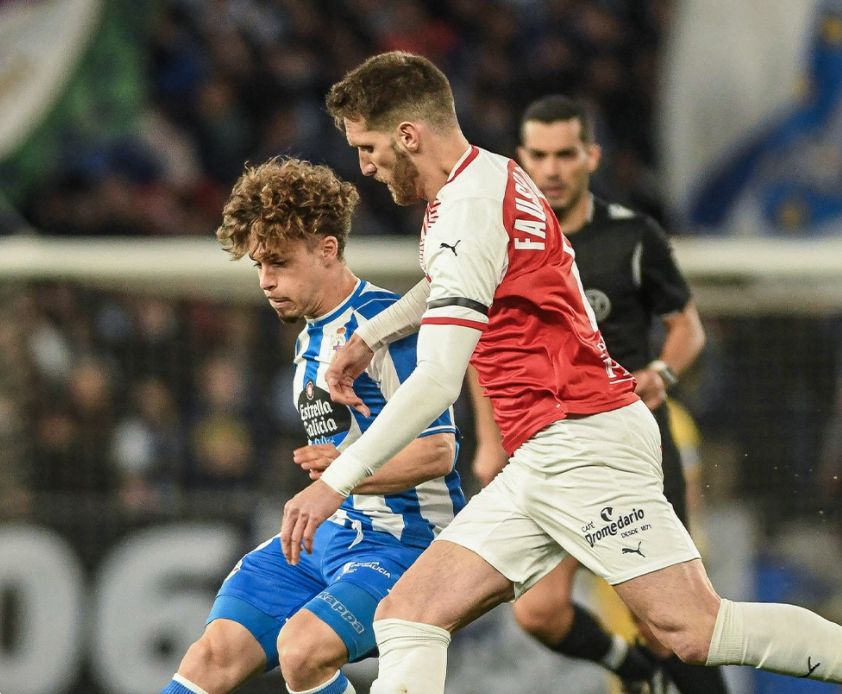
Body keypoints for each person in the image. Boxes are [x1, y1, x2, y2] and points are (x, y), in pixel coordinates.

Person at [278, 51, 842, 693]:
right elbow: (455, 279)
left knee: (693, 630)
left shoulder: (465, 211)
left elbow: (436, 381)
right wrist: (374, 334)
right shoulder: (493, 175)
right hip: (546, 452)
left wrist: (337, 483)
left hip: (582, 441)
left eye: (368, 147)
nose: (365, 166)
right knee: (409, 615)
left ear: (408, 135)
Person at [162, 156, 465, 694]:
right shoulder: (310, 336)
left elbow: (439, 452)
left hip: (403, 542)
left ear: (327, 249)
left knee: (301, 650)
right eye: (259, 265)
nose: (266, 281)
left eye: (278, 262)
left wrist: (342, 475)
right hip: (332, 534)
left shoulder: (384, 328)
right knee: (213, 655)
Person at [464, 94, 729, 694]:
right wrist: (488, 441)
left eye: (565, 154)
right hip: (551, 448)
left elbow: (687, 327)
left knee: (670, 625)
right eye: (540, 156)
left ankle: (665, 669)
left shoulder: (632, 236)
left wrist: (662, 371)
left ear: (592, 156)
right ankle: (637, 674)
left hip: (630, 442)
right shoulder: (503, 244)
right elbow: (481, 346)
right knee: (540, 612)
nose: (552, 169)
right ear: (521, 158)